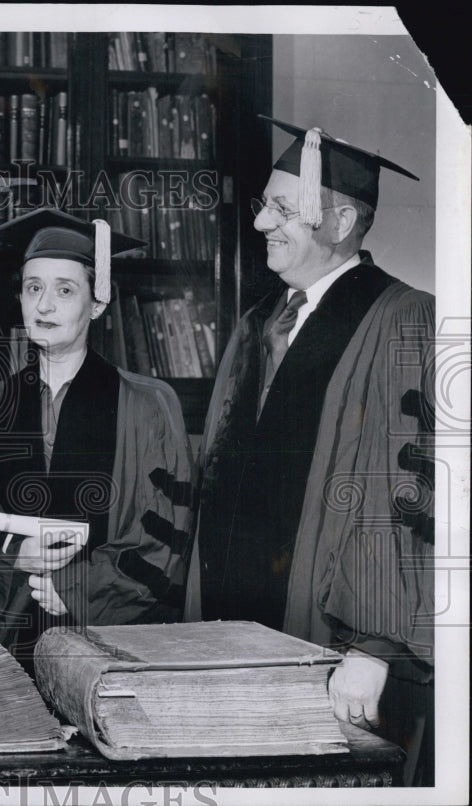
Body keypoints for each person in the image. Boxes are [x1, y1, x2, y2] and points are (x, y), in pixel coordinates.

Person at [185, 117, 435, 785]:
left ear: (341, 219)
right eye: (264, 205)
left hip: (331, 637)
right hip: (231, 638)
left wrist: (373, 647)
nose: (262, 221)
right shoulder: (255, 327)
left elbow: (405, 487)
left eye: (282, 207)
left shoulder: (402, 318)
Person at [0, 208, 195, 673]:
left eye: (65, 290)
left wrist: (78, 587)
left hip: (111, 643)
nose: (44, 306)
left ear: (98, 303)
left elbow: (166, 534)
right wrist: (12, 555)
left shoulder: (149, 405)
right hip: (3, 643)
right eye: (33, 288)